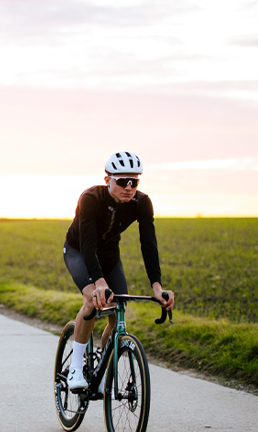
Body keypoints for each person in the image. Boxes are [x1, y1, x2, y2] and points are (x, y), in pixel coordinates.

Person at [63, 150, 174, 390]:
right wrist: (99, 282)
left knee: (117, 309)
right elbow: (88, 244)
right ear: (108, 181)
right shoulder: (91, 198)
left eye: (134, 181)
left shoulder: (142, 203)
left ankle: (103, 368)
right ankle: (74, 369)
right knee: (92, 300)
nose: (129, 186)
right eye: (123, 181)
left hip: (110, 255)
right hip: (79, 251)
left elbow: (149, 244)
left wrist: (157, 286)